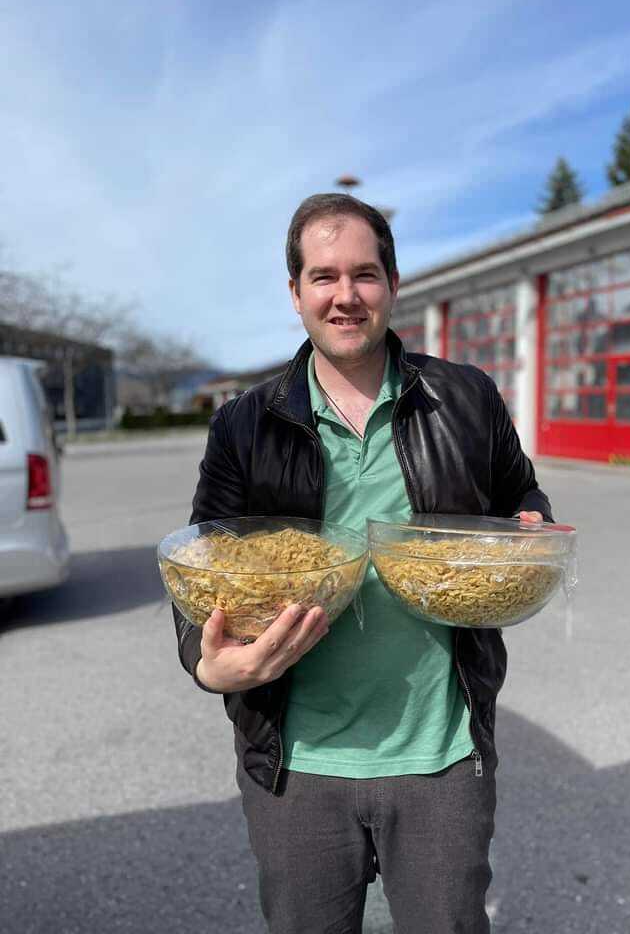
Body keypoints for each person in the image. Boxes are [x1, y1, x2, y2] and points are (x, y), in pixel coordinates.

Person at [173, 193, 552, 933]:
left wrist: (530, 525)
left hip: (439, 752)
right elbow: (201, 564)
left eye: (364, 274)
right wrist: (207, 664)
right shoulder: (244, 423)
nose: (345, 295)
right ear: (296, 293)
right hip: (298, 759)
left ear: (393, 284)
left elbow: (520, 493)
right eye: (323, 276)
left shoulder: (465, 397)